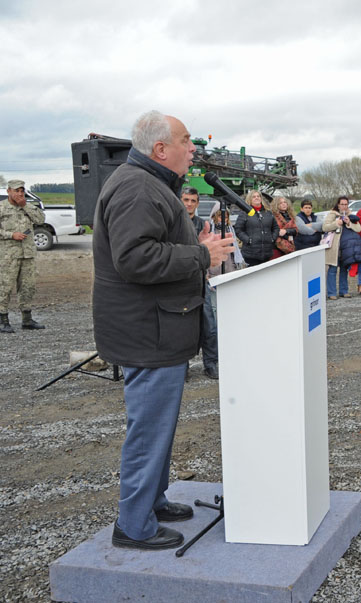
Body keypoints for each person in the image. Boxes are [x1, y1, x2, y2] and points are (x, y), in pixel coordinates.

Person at [92, 110, 234, 550]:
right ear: (160, 149)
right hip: (147, 332)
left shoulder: (150, 183)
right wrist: (200, 256)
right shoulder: (137, 188)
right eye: (187, 141)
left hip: (156, 328)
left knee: (160, 427)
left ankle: (153, 500)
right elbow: (134, 259)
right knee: (149, 429)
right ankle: (133, 526)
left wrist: (198, 248)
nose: (194, 149)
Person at [180, 187, 218, 379]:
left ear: (197, 203)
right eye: (186, 199)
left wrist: (209, 273)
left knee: (209, 325)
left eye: (192, 200)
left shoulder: (203, 224)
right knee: (183, 326)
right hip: (180, 281)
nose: (188, 204)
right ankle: (182, 367)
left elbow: (210, 250)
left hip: (201, 280)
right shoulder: (174, 224)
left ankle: (211, 363)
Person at [0, 179, 46, 333]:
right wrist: (11, 234)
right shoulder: (1, 208)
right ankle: (3, 320)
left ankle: (27, 319)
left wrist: (25, 205)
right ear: (8, 192)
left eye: (21, 190)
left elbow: (40, 220)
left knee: (27, 287)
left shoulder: (28, 207)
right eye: (16, 190)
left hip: (28, 254)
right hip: (8, 255)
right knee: (4, 287)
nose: (19, 194)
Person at [322, 196, 360, 299]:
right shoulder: (332, 214)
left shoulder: (351, 215)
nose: (344, 206)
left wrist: (349, 223)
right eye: (342, 204)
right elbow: (324, 227)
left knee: (344, 269)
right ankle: (331, 293)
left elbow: (359, 228)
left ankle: (344, 291)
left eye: (346, 204)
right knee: (333, 269)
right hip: (335, 247)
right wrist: (336, 223)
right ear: (338, 204)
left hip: (346, 248)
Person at [233, 190, 278, 267]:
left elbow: (276, 228)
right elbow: (238, 229)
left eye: (258, 196)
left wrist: (272, 238)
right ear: (250, 199)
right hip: (250, 253)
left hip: (267, 252)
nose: (256, 198)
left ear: (261, 198)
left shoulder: (268, 213)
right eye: (254, 197)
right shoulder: (244, 213)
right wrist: (248, 240)